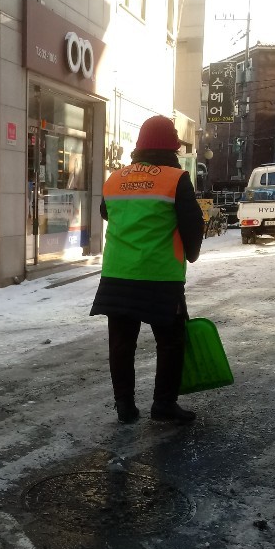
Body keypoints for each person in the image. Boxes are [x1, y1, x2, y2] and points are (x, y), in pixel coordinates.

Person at [90, 115, 205, 424]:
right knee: (170, 341)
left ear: (139, 146)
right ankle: (163, 404)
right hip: (159, 275)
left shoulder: (115, 178)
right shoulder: (175, 178)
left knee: (121, 342)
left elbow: (106, 212)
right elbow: (193, 224)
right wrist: (191, 254)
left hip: (117, 274)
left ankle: (125, 406)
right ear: (172, 147)